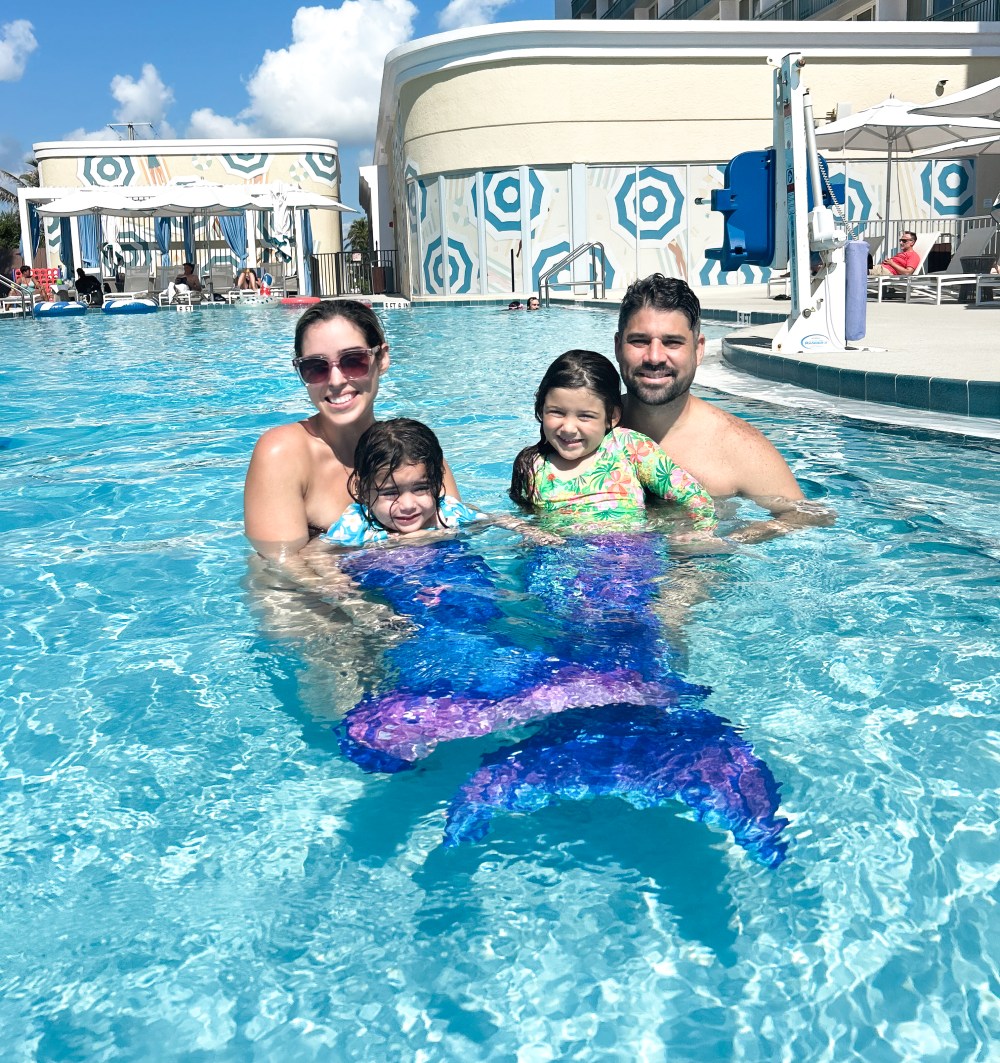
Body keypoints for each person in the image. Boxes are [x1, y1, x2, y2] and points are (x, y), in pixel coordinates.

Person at [243, 299, 458, 560]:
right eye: (315, 367)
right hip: (317, 598)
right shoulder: (282, 453)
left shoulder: (413, 451)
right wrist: (357, 602)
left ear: (382, 359)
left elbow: (455, 535)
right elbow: (281, 568)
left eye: (353, 361)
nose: (336, 381)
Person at [614, 275, 806, 514]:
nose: (655, 357)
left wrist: (737, 539)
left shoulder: (739, 446)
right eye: (639, 341)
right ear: (617, 346)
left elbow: (805, 516)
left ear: (698, 349)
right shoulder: (579, 430)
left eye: (672, 342)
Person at [510, 349, 717, 532]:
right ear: (541, 410)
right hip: (563, 564)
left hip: (628, 565)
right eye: (556, 412)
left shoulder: (628, 447)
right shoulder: (532, 465)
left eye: (585, 416)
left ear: (612, 417)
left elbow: (695, 497)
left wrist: (699, 531)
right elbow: (526, 518)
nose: (569, 428)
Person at [325, 418, 481, 546]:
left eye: (421, 488)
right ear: (363, 490)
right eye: (390, 492)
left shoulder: (450, 513)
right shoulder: (356, 526)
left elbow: (491, 522)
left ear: (437, 483)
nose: (408, 506)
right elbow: (317, 555)